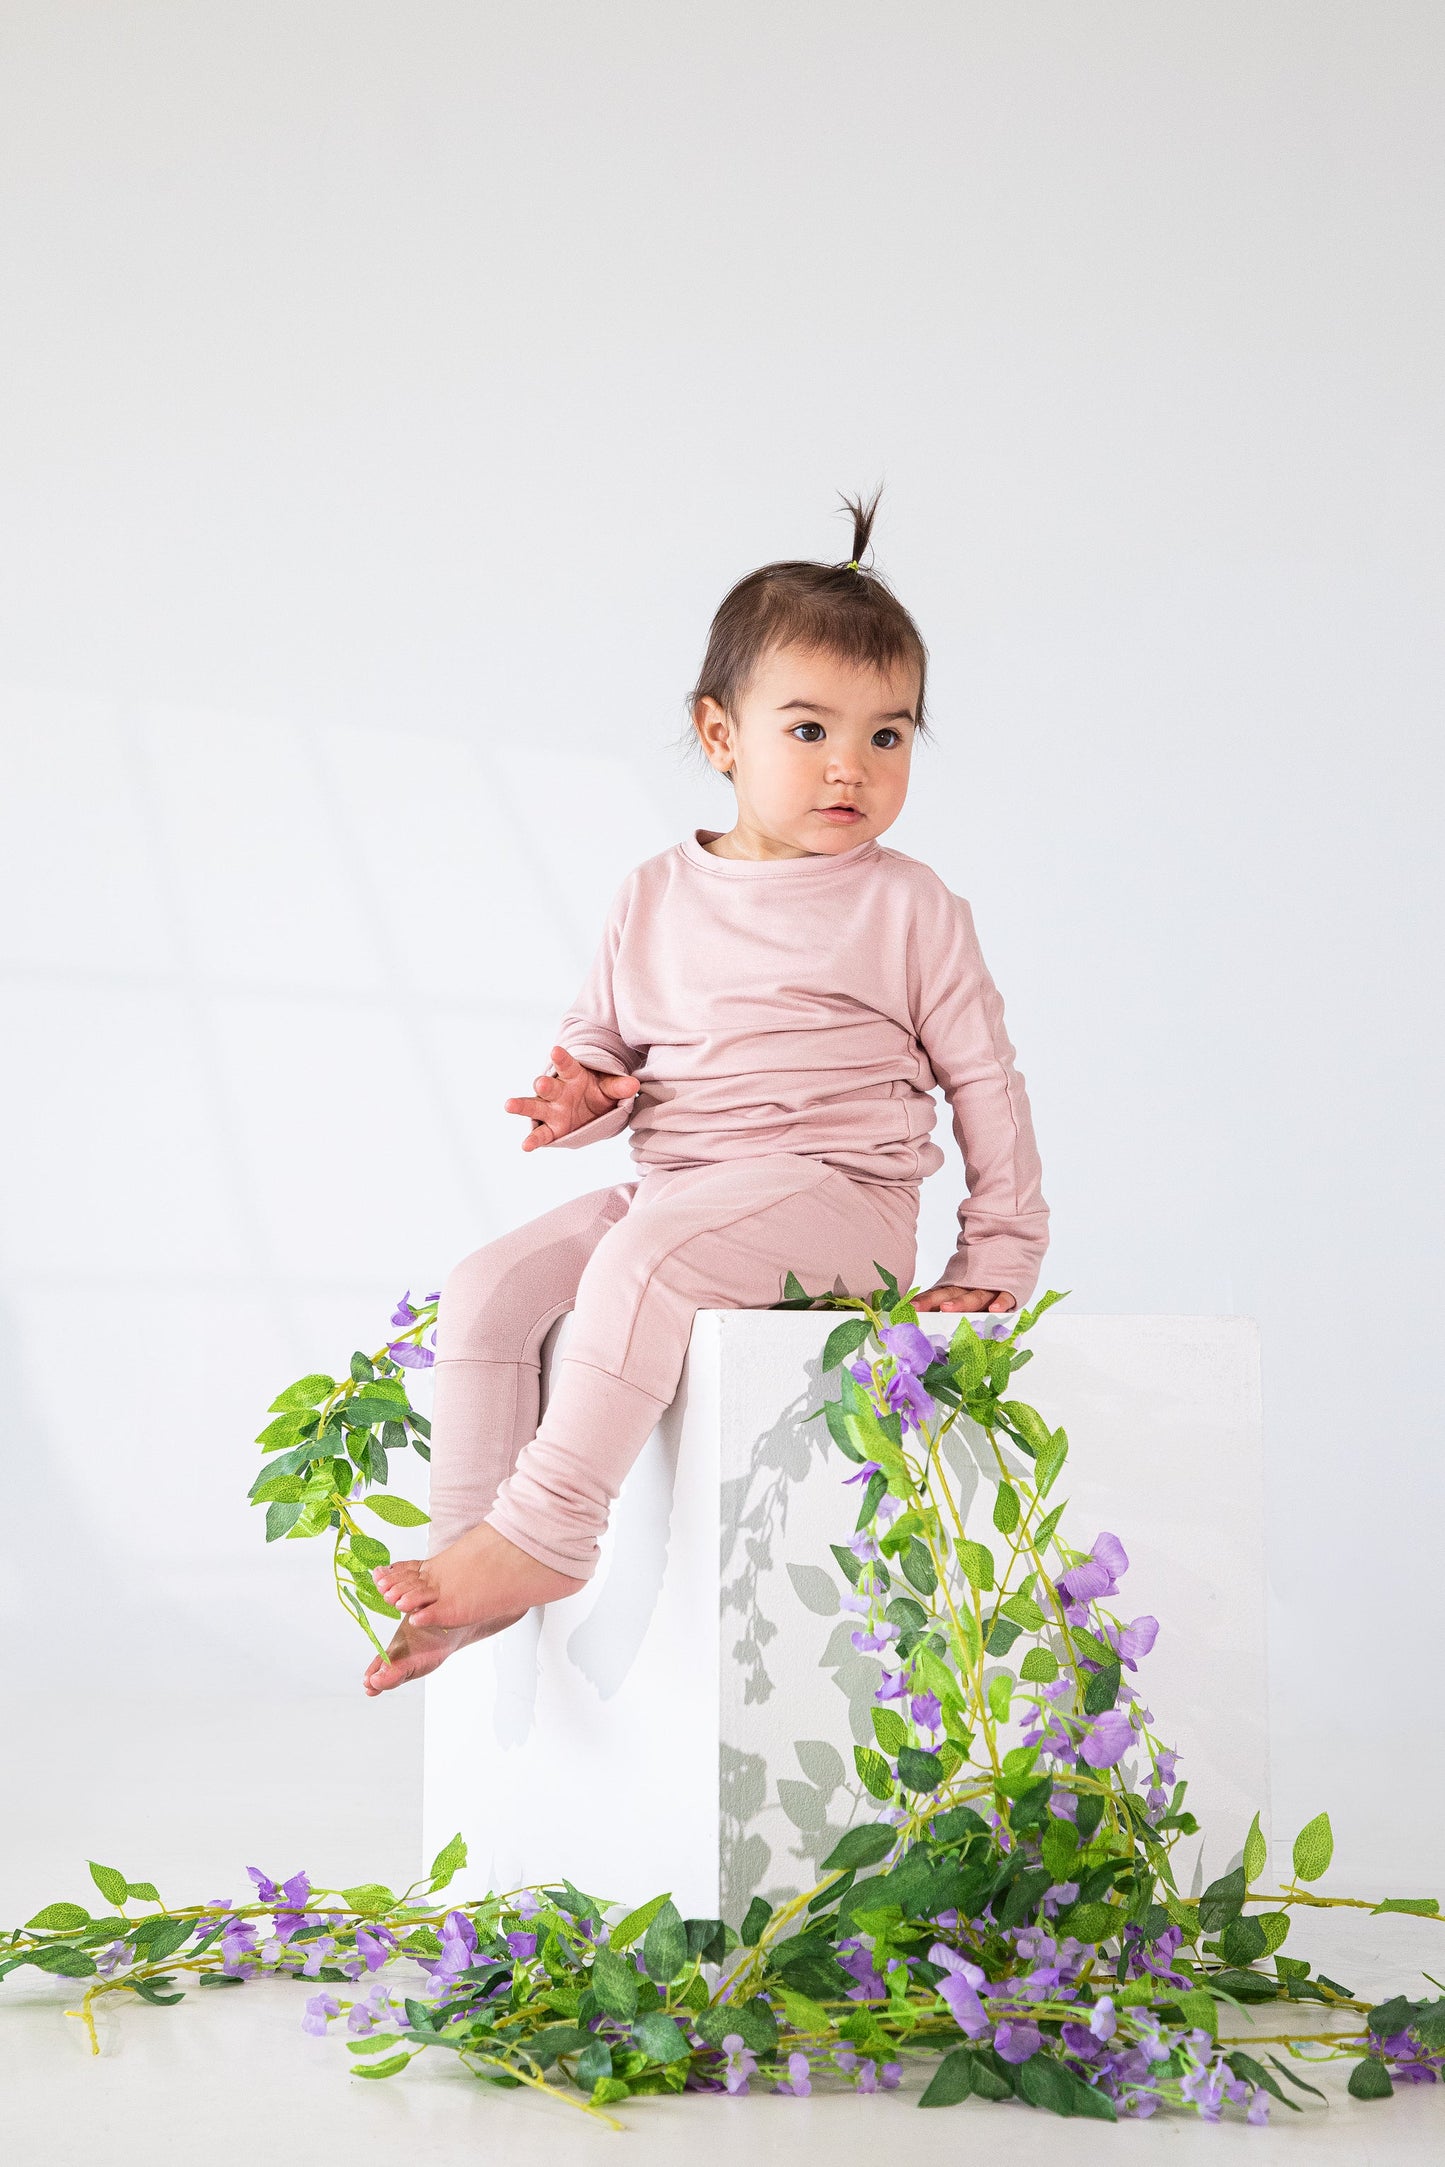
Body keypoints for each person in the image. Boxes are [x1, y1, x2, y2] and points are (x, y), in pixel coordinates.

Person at [366, 492, 1048, 1695]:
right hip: (679, 1192)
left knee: (645, 1265)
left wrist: (998, 1246)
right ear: (719, 735)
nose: (849, 765)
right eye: (809, 728)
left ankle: (545, 1533)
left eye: (887, 736)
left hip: (835, 1197)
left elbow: (983, 1079)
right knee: (486, 1289)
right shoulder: (651, 893)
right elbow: (600, 1041)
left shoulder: (908, 905)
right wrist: (583, 1096)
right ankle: (466, 1562)